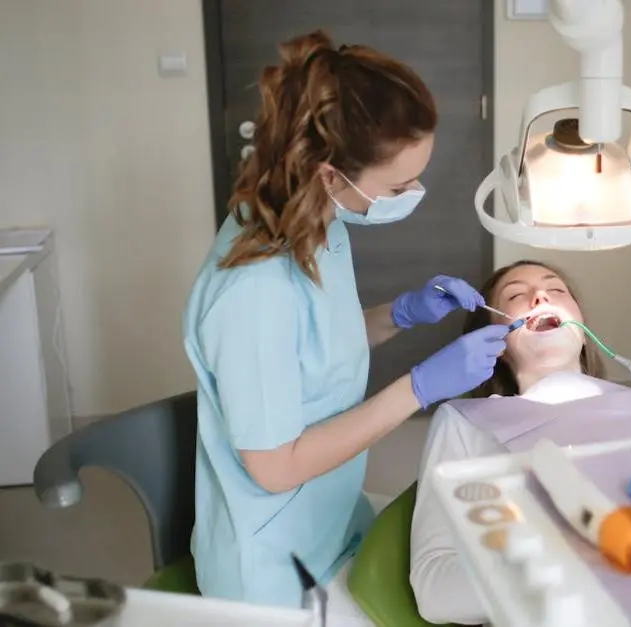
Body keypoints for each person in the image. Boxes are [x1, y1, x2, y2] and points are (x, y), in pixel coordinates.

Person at [181, 31, 511, 614]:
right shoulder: (251, 292)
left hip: (332, 516)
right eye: (398, 185)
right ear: (332, 173)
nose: (413, 194)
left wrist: (401, 313)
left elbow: (311, 349)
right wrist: (417, 389)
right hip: (274, 570)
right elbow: (276, 467)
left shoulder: (317, 220)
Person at [408, 261, 631, 625]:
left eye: (557, 291)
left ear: (582, 329)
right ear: (496, 344)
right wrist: (557, 560)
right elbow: (434, 590)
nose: (540, 297)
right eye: (517, 295)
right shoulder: (469, 423)